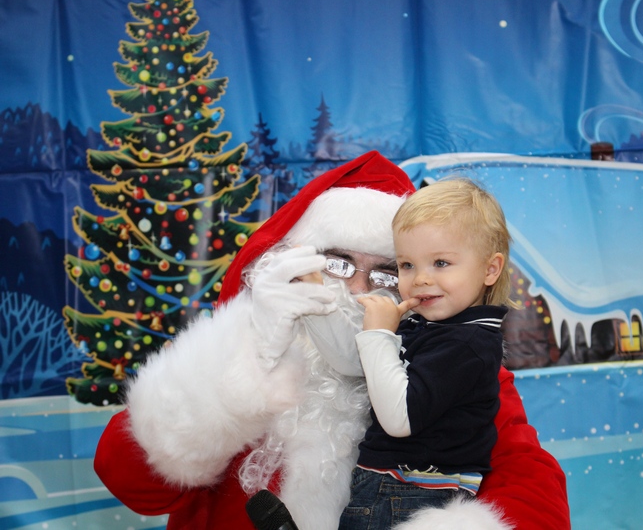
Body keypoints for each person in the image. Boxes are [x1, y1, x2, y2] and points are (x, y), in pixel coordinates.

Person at [93, 151, 570, 530]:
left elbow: (531, 483)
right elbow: (132, 483)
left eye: (387, 272)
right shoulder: (241, 346)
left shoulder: (447, 361)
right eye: (338, 263)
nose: (358, 290)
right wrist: (245, 360)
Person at [339, 178, 511, 529]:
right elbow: (353, 364)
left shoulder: (465, 343)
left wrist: (378, 335)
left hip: (408, 492)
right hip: (397, 489)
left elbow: (399, 419)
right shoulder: (437, 326)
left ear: (490, 269)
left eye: (441, 263)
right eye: (406, 265)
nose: (419, 279)